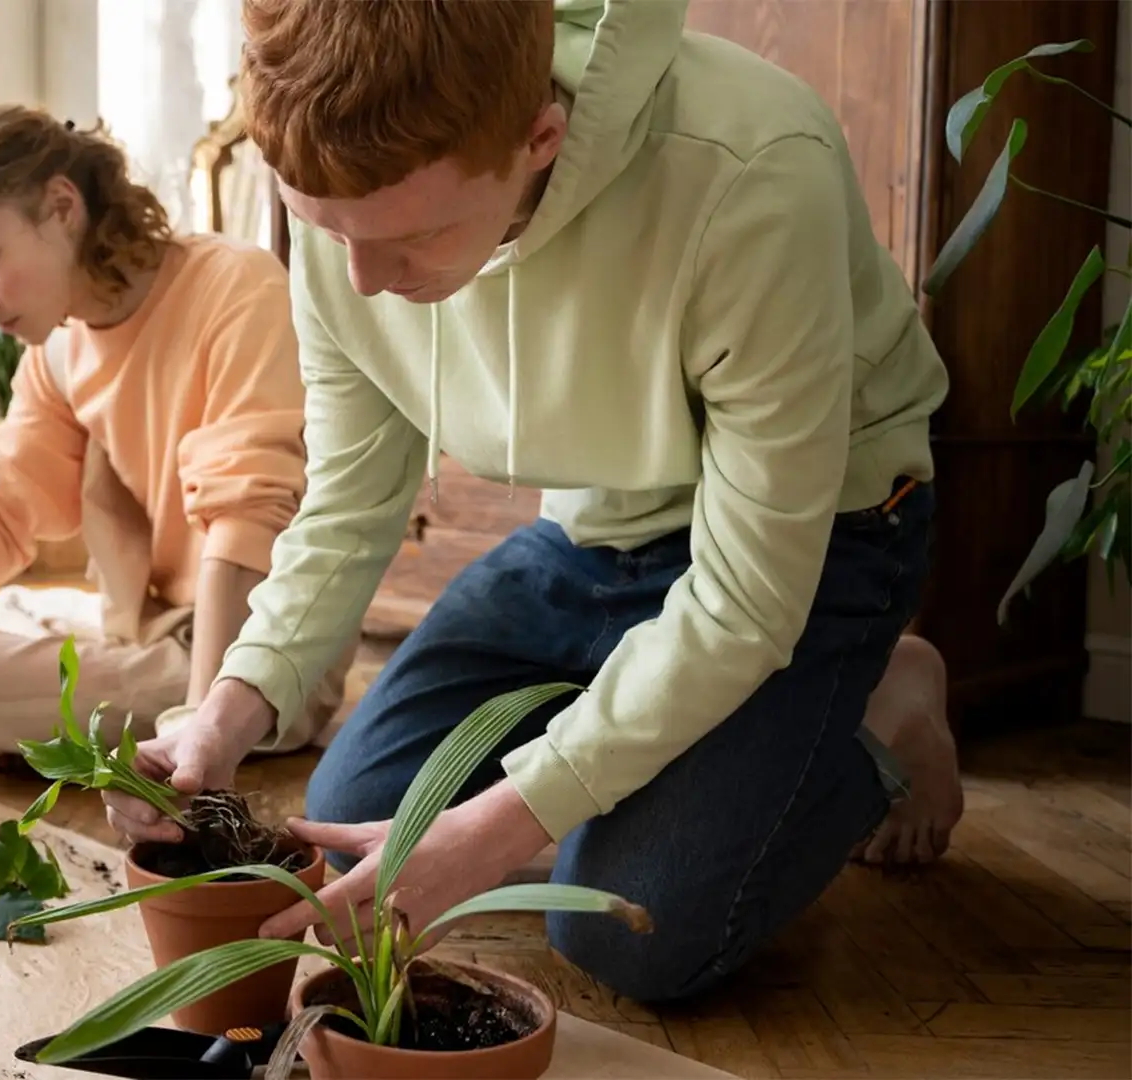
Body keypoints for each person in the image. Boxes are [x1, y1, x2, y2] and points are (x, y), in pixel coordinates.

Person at [100, 0, 962, 1004]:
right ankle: (652, 728)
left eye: (411, 236)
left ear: (541, 141)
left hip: (825, 534)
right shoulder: (355, 226)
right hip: (597, 531)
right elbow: (346, 503)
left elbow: (743, 600)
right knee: (354, 823)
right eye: (320, 225)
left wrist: (503, 824)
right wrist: (227, 713)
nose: (364, 281)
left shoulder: (754, 167)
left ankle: (883, 706)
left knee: (631, 930)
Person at [0, 104, 351, 766]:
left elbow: (246, 513)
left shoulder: (235, 286)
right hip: (155, 636)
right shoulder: (59, 350)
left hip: (262, 658)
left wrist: (203, 724)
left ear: (62, 207)